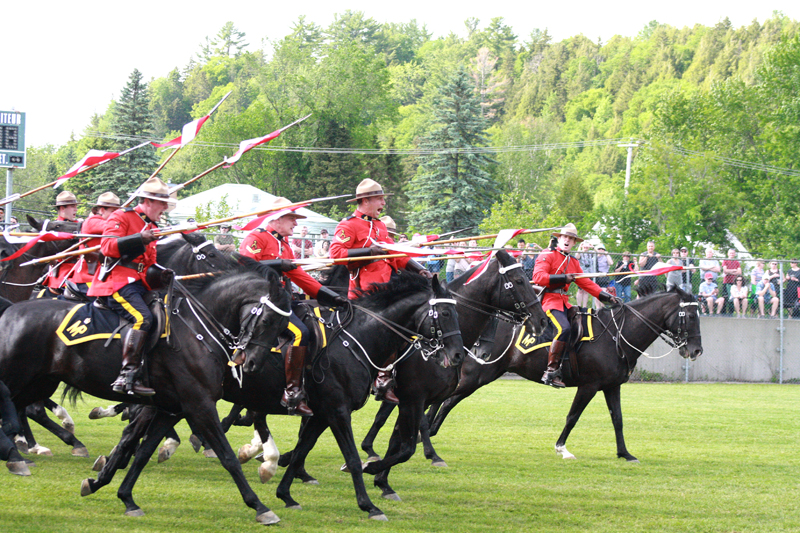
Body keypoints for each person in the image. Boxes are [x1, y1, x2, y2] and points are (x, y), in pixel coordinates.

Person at [239, 197, 347, 416]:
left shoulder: (285, 246)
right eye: (291, 219)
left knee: (316, 322)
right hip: (259, 300)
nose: (295, 224)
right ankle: (292, 392)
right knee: (300, 333)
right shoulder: (256, 238)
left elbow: (300, 276)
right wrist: (278, 264)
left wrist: (330, 296)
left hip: (281, 300)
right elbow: (244, 264)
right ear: (276, 219)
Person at [329, 178, 433, 403]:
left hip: (386, 293)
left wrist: (420, 269)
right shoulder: (349, 225)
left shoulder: (380, 226)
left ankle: (390, 378)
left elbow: (395, 254)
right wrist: (370, 251)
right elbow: (336, 255)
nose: (383, 204)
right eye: (379, 199)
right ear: (365, 201)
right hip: (364, 296)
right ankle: (382, 379)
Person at [88, 178, 172, 397]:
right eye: (161, 203)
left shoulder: (153, 228)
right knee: (143, 318)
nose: (165, 208)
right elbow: (107, 247)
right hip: (117, 282)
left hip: (139, 284)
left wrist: (165, 275)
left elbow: (150, 264)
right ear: (147, 201)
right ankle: (127, 375)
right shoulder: (121, 216)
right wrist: (138, 238)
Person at [532, 223, 620, 388]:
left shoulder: (573, 262)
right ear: (559, 238)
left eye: (571, 239)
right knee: (563, 328)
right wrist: (563, 278)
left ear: (574, 243)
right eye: (565, 237)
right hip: (550, 301)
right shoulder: (547, 254)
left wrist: (606, 297)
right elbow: (538, 277)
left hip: (565, 302)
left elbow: (586, 283)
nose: (567, 240)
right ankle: (550, 371)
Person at [68, 192, 121, 295]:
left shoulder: (110, 221)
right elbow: (111, 227)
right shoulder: (92, 221)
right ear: (101, 210)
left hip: (102, 275)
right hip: (87, 277)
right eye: (113, 211)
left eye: (117, 211)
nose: (116, 214)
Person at [41, 191, 82, 296]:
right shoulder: (52, 229)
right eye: (73, 206)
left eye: (76, 206)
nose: (76, 209)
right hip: (62, 275)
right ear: (62, 208)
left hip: (82, 272)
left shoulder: (81, 225)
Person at [575, 241, 596, 308]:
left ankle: (584, 306)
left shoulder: (590, 253)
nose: (586, 247)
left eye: (587, 246)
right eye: (584, 246)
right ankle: (578, 305)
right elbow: (577, 257)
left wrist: (592, 247)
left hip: (589, 273)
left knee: (586, 291)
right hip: (581, 273)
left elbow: (597, 252)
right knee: (580, 290)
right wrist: (579, 247)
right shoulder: (580, 252)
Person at [721, 248, 742, 314]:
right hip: (726, 282)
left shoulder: (737, 262)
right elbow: (725, 270)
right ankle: (723, 313)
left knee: (733, 298)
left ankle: (731, 312)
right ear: (728, 254)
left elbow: (739, 272)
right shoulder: (725, 261)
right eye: (730, 253)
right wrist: (734, 271)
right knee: (726, 297)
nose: (731, 254)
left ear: (735, 254)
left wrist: (729, 271)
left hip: (734, 283)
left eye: (733, 253)